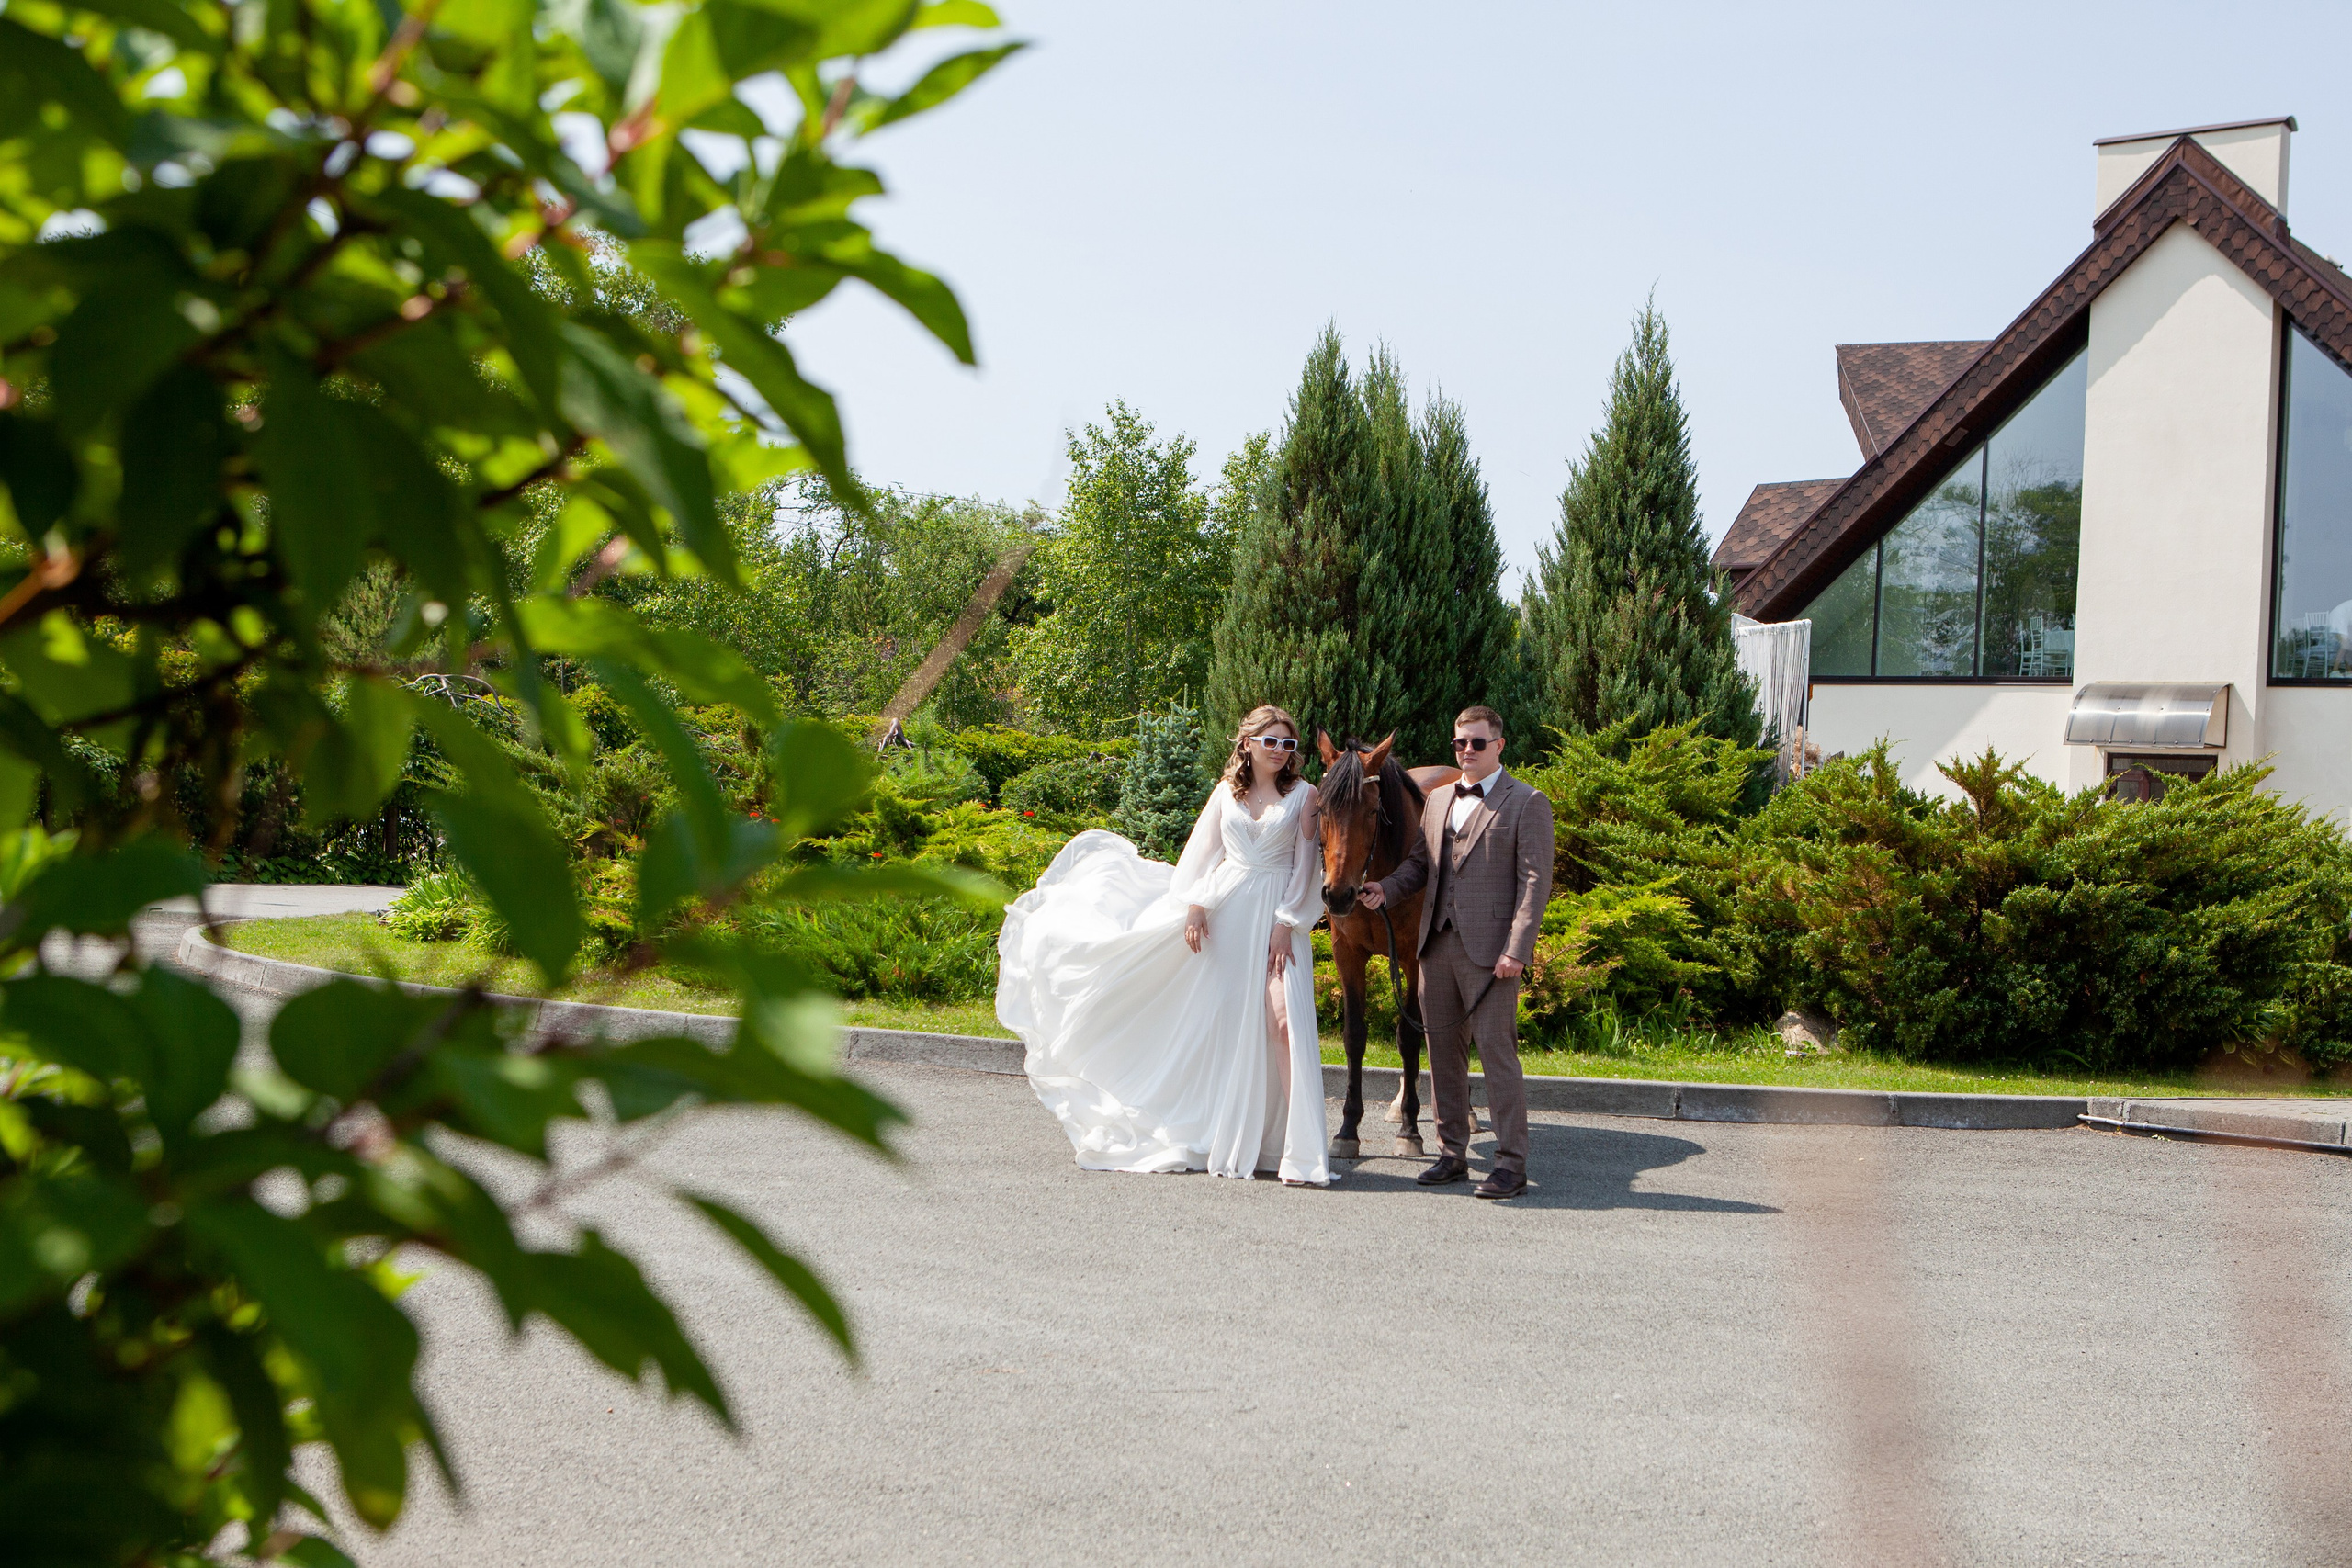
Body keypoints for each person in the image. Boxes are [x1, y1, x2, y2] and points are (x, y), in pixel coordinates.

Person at [997, 705, 1334, 1186]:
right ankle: (1225, 1131)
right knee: (1225, 1027)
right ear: (1247, 744)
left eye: (1288, 743)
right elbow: (1201, 854)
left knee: (1284, 1024)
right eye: (1270, 741)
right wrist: (1196, 904)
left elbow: (1308, 869)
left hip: (1280, 921)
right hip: (1227, 918)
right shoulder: (1226, 792)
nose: (1280, 751)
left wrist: (1288, 922)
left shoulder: (1306, 796)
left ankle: (1301, 1151)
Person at [1359, 705, 1553, 1199]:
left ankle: (1510, 1164)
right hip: (1435, 946)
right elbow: (1419, 865)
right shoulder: (1439, 799)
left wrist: (1518, 949)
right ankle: (1452, 1154)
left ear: (1499, 745)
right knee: (1443, 1055)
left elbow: (1535, 883)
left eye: (1477, 742)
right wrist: (1386, 889)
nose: (1467, 750)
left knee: (1496, 1054)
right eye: (1460, 742)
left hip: (1492, 953)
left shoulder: (1527, 801)